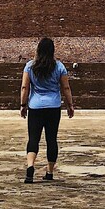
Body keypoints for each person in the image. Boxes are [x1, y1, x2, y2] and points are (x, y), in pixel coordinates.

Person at [20, 37, 75, 183]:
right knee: (51, 139)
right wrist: (70, 105)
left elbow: (25, 87)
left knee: (33, 138)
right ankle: (49, 172)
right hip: (53, 107)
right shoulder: (59, 67)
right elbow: (66, 87)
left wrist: (23, 105)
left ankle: (30, 166)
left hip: (35, 107)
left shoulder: (30, 66)